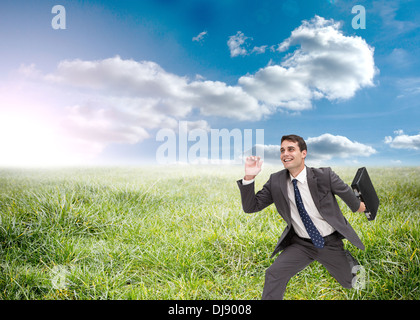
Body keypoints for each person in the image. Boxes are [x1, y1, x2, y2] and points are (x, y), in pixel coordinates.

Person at [237, 134, 366, 300]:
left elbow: (348, 195)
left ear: (303, 153)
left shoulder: (324, 175)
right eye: (282, 150)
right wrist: (249, 177)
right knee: (274, 273)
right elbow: (251, 207)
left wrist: (359, 206)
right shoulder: (276, 181)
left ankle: (349, 263)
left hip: (329, 243)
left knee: (352, 282)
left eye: (291, 149)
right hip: (301, 244)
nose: (285, 153)